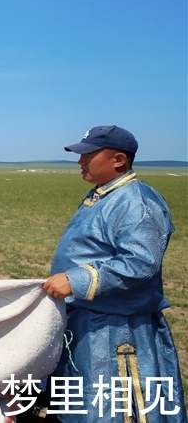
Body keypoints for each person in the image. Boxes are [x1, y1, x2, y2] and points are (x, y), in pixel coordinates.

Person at [42, 126, 185, 422]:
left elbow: (140, 264)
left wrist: (76, 279)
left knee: (112, 408)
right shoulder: (105, 195)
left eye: (89, 155)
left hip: (117, 328)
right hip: (89, 319)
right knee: (81, 403)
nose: (81, 161)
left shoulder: (137, 202)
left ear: (118, 159)